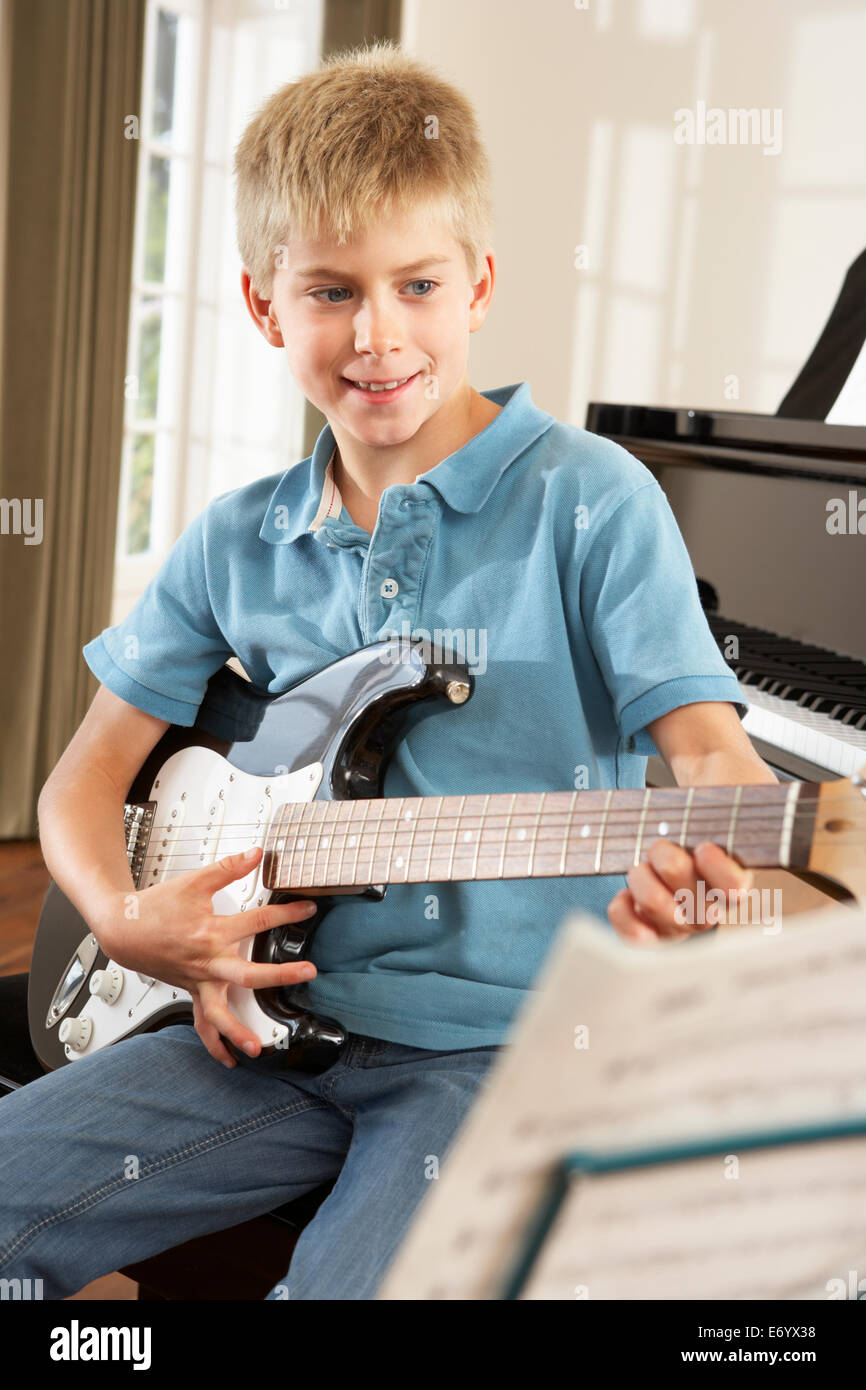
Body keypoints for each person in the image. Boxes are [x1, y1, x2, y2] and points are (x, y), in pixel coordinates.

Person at [0, 40, 776, 1301]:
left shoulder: (593, 500)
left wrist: (718, 863)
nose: (378, 335)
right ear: (264, 305)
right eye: (329, 291)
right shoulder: (235, 538)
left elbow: (705, 751)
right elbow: (82, 788)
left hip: (501, 1052)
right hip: (262, 1028)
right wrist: (135, 921)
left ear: (477, 284)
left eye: (417, 284)